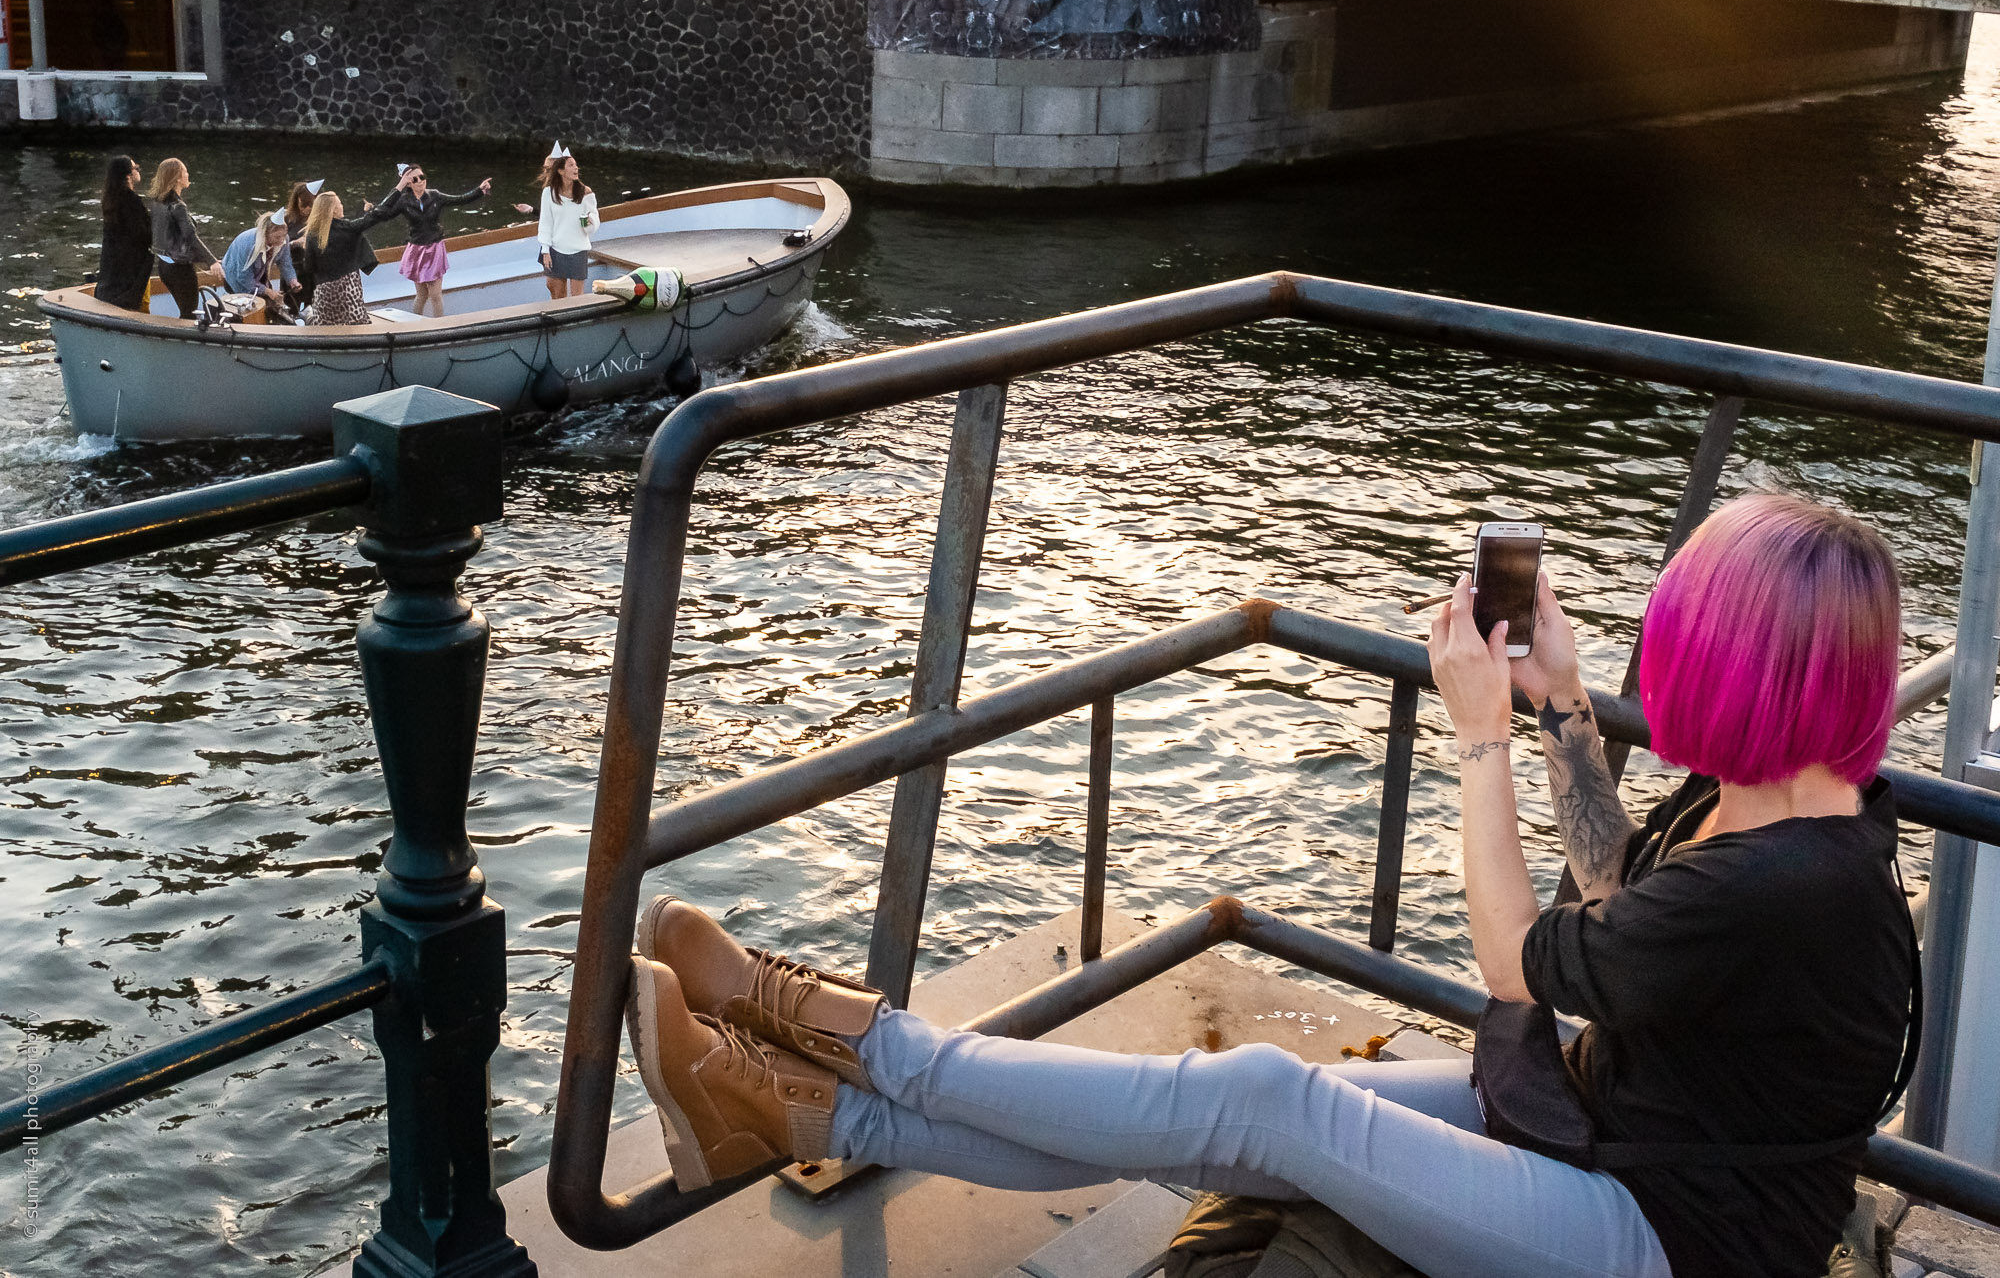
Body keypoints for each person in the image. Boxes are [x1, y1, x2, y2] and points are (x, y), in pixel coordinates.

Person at [623, 493, 1914, 1278]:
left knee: (1265, 1103)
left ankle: (861, 1044)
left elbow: (1524, 962)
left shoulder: (1784, 888)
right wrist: (1565, 702)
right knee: (1221, 1109)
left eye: (1678, 642)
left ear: (1738, 676)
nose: (1657, 658)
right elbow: (1624, 890)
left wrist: (1477, 733)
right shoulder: (1799, 797)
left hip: (1663, 1238)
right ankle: (816, 1116)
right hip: (1608, 1123)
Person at [377, 163, 492, 318]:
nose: (420, 181)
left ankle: (439, 326)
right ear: (408, 183)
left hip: (434, 249)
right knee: (422, 295)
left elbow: (459, 199)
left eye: (422, 177)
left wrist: (479, 190)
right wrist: (398, 186)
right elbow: (383, 213)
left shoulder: (435, 195)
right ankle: (416, 325)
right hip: (416, 250)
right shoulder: (403, 201)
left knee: (436, 295)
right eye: (415, 179)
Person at [296, 188, 399, 326]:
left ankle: (309, 316)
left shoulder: (312, 235)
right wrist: (399, 187)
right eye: (339, 203)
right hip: (348, 291)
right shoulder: (347, 228)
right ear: (333, 210)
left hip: (324, 294)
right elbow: (377, 214)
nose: (342, 206)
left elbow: (309, 267)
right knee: (357, 325)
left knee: (327, 327)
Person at [145, 158, 219, 319]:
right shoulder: (178, 206)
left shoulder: (157, 202)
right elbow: (191, 237)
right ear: (178, 178)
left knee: (185, 310)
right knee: (190, 312)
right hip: (180, 269)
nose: (188, 174)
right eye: (185, 172)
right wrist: (212, 261)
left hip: (164, 266)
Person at [533, 147, 599, 301]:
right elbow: (545, 222)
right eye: (571, 165)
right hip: (556, 250)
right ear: (561, 171)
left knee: (577, 297)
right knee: (558, 295)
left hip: (578, 250)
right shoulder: (548, 193)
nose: (576, 168)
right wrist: (545, 250)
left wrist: (587, 221)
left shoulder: (586, 192)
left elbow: (591, 226)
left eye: (576, 165)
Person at [95, 155, 153, 313]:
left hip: (115, 264)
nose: (138, 170)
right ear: (128, 175)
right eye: (135, 168)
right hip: (133, 266)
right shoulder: (131, 200)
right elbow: (143, 234)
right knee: (140, 302)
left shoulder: (110, 199)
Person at [221, 210, 301, 319]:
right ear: (266, 233)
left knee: (271, 304)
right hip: (236, 277)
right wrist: (267, 291)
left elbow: (285, 262)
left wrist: (292, 280)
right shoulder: (249, 245)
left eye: (284, 236)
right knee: (248, 310)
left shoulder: (283, 240)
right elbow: (243, 277)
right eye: (277, 237)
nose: (282, 240)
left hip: (260, 271)